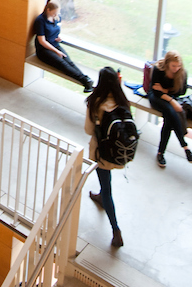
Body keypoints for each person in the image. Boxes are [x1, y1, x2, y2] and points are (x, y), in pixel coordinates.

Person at [85, 66, 128, 247]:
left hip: (102, 153)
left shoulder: (96, 102)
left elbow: (88, 130)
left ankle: (116, 230)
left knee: (107, 186)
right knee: (106, 183)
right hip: (120, 152)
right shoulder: (123, 100)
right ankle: (101, 196)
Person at [32, 0, 93, 91]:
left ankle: (86, 79)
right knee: (62, 64)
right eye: (54, 13)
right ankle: (84, 80)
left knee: (69, 61)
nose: (56, 15)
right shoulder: (40, 21)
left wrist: (58, 37)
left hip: (55, 44)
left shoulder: (57, 17)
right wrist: (56, 51)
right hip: (43, 50)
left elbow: (55, 30)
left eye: (57, 13)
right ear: (48, 10)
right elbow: (42, 41)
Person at [149, 50, 192, 167]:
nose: (176, 69)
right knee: (170, 110)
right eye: (173, 66)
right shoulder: (158, 69)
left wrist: (165, 91)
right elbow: (155, 90)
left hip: (169, 96)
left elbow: (182, 91)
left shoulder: (182, 73)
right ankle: (185, 146)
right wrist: (171, 100)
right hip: (156, 97)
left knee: (168, 120)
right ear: (167, 63)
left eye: (178, 66)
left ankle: (161, 152)